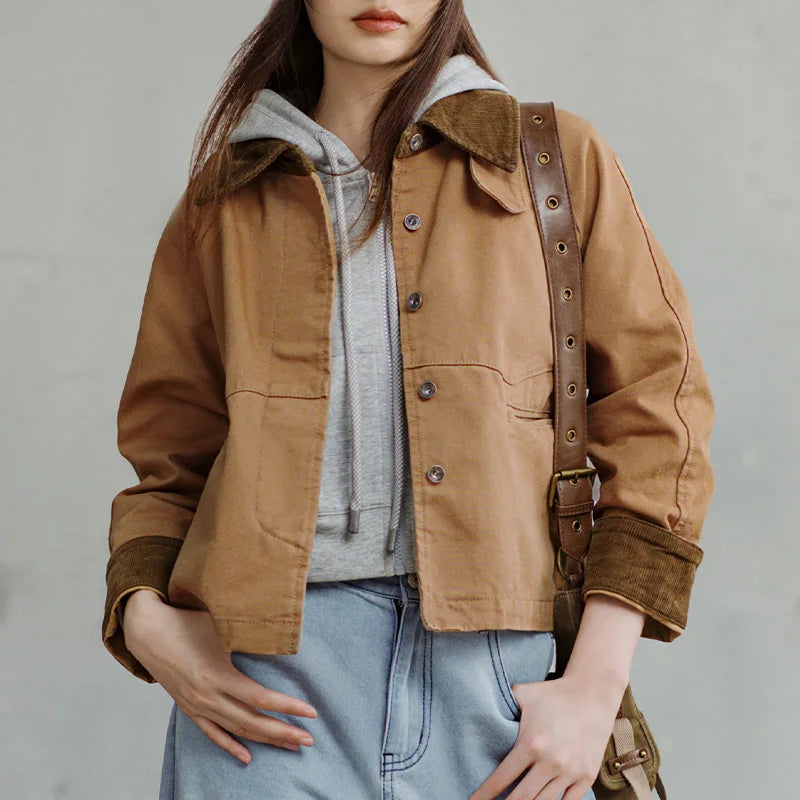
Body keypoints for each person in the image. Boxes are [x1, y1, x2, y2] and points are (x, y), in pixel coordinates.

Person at [101, 2, 715, 799]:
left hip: (498, 682)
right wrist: (143, 614)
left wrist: (595, 684)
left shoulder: (555, 162)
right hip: (265, 684)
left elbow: (659, 416)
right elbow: (167, 455)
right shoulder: (226, 198)